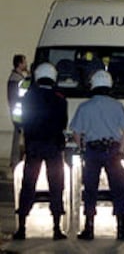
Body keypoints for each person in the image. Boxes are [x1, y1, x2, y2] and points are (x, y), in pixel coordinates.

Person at [70, 70, 124, 241]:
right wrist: (121, 151)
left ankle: (89, 228)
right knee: (119, 189)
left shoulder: (84, 106)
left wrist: (82, 147)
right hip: (113, 150)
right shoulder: (117, 105)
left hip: (92, 151)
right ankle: (121, 228)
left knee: (90, 190)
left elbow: (76, 132)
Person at [13, 62, 67, 240]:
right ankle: (57, 229)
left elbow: (20, 119)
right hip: (53, 146)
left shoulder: (28, 96)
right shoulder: (59, 98)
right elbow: (63, 123)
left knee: (28, 185)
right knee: (56, 186)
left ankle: (21, 227)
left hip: (33, 145)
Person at [7, 54, 29, 170]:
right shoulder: (17, 79)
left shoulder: (16, 78)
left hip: (17, 112)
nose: (26, 64)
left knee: (17, 136)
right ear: (20, 64)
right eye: (24, 62)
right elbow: (23, 93)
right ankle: (16, 161)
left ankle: (15, 160)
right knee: (19, 136)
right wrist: (30, 78)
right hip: (19, 113)